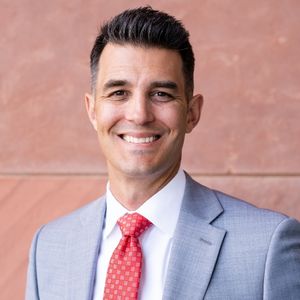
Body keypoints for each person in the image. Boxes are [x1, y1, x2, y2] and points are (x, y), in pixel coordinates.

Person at [26, 7, 300, 300]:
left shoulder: (267, 246)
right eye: (119, 92)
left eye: (161, 94)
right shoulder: (49, 247)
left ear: (192, 113)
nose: (139, 114)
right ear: (92, 110)